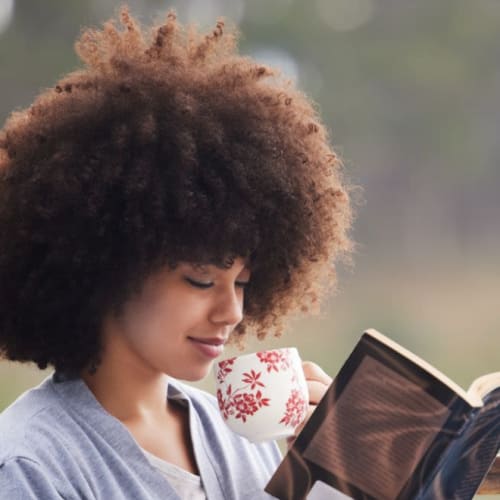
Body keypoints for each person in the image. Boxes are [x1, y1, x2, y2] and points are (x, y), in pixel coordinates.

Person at [0, 7, 353, 499]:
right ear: (111, 267)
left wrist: (324, 475)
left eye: (244, 284)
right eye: (202, 281)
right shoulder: (29, 465)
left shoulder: (243, 438)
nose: (231, 312)